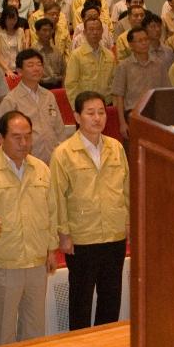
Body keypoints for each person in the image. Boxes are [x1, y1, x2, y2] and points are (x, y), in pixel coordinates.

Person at [0, 111, 59, 345]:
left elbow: (51, 211)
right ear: (0, 138)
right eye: (17, 137)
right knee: (4, 332)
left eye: (28, 137)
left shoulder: (41, 168)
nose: (24, 143)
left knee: (34, 330)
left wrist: (51, 250)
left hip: (36, 260)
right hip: (5, 263)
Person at [50, 92, 129, 330]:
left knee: (111, 298)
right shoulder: (63, 153)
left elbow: (126, 189)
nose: (97, 118)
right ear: (76, 116)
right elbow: (57, 197)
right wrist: (63, 234)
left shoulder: (115, 147)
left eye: (102, 112)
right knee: (81, 301)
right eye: (90, 113)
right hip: (82, 238)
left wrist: (128, 222)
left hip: (114, 235)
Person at [0, 49, 64, 162]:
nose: (36, 69)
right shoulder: (11, 100)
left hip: (53, 158)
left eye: (39, 65)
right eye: (30, 65)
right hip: (27, 160)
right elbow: (5, 137)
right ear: (19, 71)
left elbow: (59, 128)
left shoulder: (49, 96)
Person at [110, 26, 170, 134]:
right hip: (133, 114)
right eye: (140, 41)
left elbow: (165, 93)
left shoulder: (159, 64)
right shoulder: (124, 66)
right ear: (131, 45)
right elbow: (119, 96)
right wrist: (122, 123)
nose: (144, 43)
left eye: (146, 39)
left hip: (155, 115)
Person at [64, 16, 115, 103]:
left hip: (106, 103)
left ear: (102, 31)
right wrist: (75, 109)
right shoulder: (76, 55)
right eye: (91, 29)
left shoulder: (109, 55)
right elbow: (71, 85)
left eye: (98, 29)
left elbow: (113, 82)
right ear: (84, 32)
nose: (95, 32)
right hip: (85, 105)